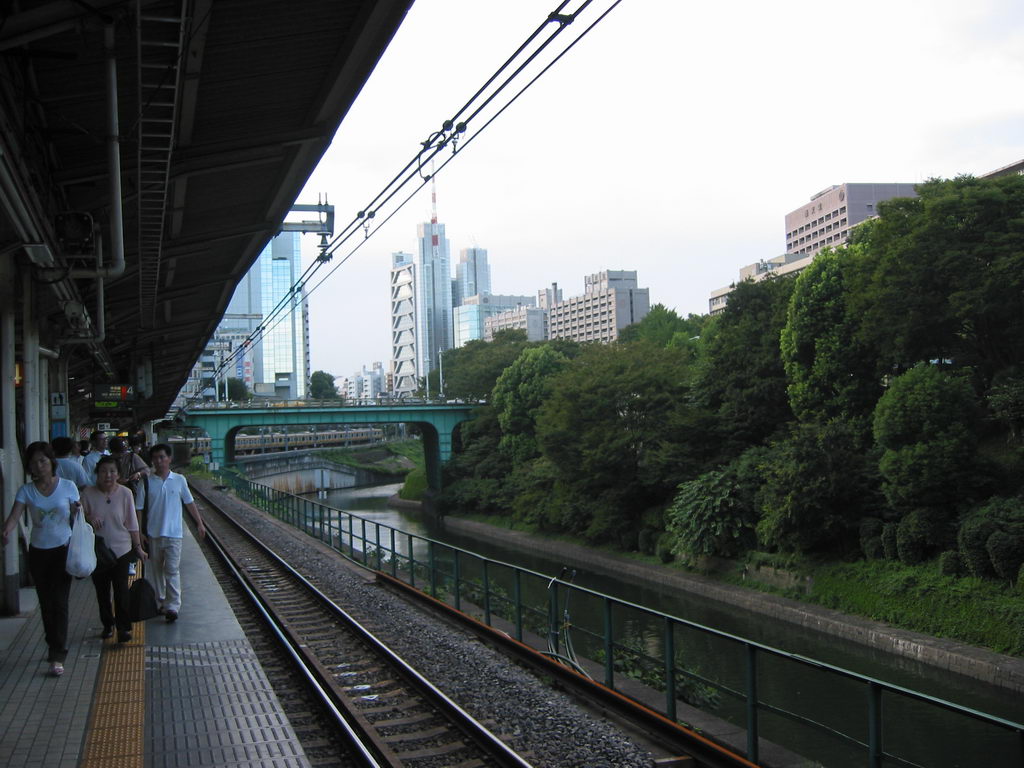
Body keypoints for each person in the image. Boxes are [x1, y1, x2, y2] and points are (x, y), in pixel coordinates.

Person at [1, 442, 83, 676]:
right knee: (46, 604)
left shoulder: (68, 487)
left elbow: (77, 515)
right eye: (34, 463)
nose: (39, 466)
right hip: (38, 552)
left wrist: (79, 510)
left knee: (60, 602)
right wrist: (6, 531)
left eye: (43, 461)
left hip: (63, 550)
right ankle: (52, 643)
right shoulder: (26, 491)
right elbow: (14, 515)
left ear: (51, 462)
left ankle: (58, 655)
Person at [81, 456, 146, 643]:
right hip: (97, 551)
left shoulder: (125, 493)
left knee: (121, 590)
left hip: (121, 549)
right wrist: (88, 519)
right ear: (97, 474)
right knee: (102, 591)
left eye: (112, 471)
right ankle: (107, 624)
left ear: (118, 474)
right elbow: (78, 517)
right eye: (103, 471)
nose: (108, 475)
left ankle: (124, 628)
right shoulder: (87, 494)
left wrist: (138, 548)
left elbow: (132, 523)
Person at [138, 443, 206, 622]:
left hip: (174, 534)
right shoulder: (145, 482)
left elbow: (189, 502)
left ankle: (173, 606)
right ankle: (160, 601)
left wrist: (199, 523)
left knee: (172, 570)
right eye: (155, 458)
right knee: (156, 570)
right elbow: (138, 509)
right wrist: (139, 532)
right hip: (153, 533)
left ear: (169, 459)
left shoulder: (179, 480)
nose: (159, 461)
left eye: (162, 457)